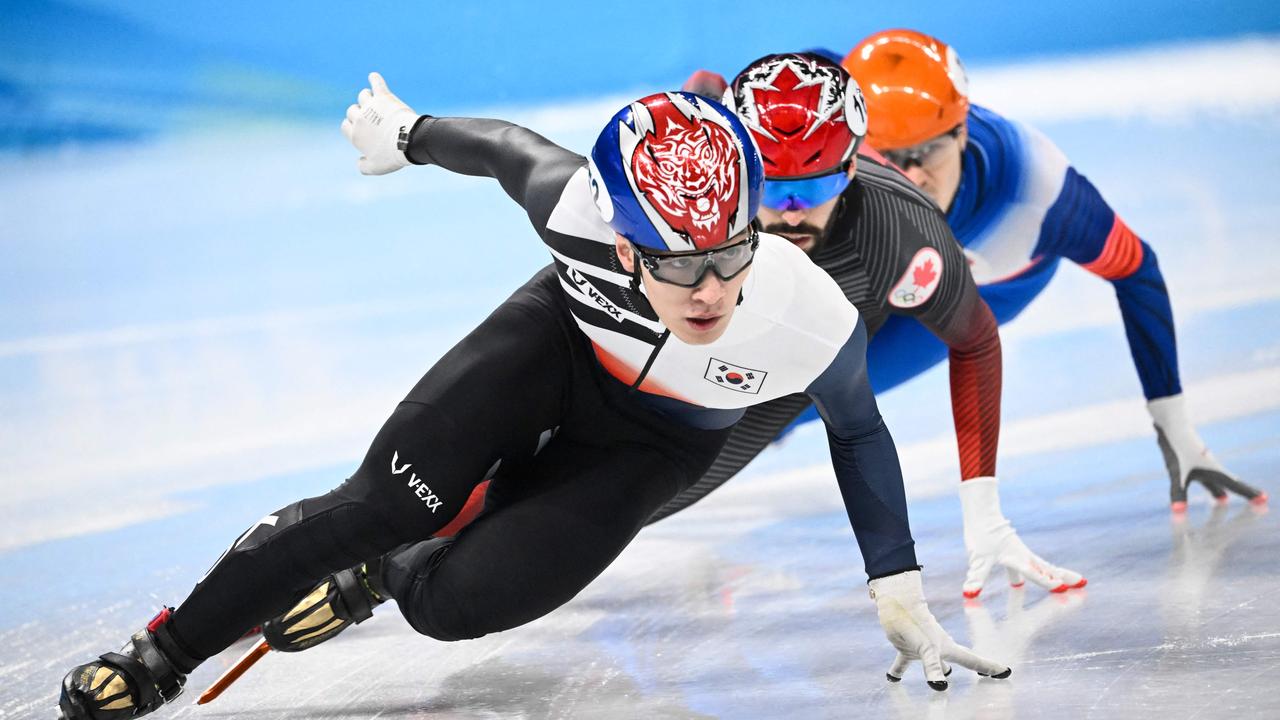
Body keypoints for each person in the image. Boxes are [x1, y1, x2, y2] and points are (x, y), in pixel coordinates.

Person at [57, 79, 1010, 719]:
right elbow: (509, 149)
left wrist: (894, 583)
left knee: (454, 603)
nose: (713, 291)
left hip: (652, 448)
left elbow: (858, 431)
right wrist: (407, 135)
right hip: (552, 348)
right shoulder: (573, 207)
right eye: (681, 266)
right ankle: (160, 657)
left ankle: (383, 574)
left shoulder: (808, 316)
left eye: (731, 255)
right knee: (381, 502)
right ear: (626, 244)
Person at [657, 52, 1086, 600]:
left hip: (806, 342)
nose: (791, 213)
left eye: (812, 189)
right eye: (775, 189)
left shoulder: (899, 230)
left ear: (851, 169)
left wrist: (985, 515)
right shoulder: (709, 182)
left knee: (647, 495)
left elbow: (975, 339)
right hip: (720, 317)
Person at [840, 29, 1267, 513]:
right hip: (887, 253)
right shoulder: (832, 121)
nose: (912, 176)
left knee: (822, 392)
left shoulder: (1038, 193)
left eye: (928, 153)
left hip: (993, 281)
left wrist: (1176, 427)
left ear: (961, 132)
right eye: (889, 158)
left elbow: (1137, 269)